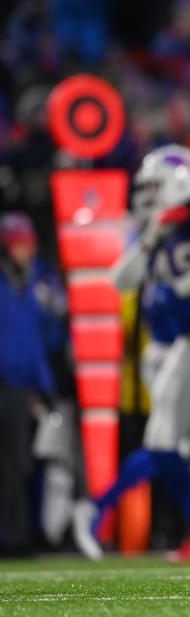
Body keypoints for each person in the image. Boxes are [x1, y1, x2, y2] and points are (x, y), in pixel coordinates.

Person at [73, 148, 190, 562]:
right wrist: (153, 235)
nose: (148, 196)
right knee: (166, 442)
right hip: (186, 346)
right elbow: (121, 280)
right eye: (145, 188)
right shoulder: (154, 232)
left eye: (155, 187)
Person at [0, 213, 53, 555]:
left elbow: (34, 340)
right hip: (3, 381)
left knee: (19, 462)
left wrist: (44, 384)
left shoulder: (32, 284)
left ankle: (18, 533)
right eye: (19, 245)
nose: (26, 251)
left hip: (20, 386)